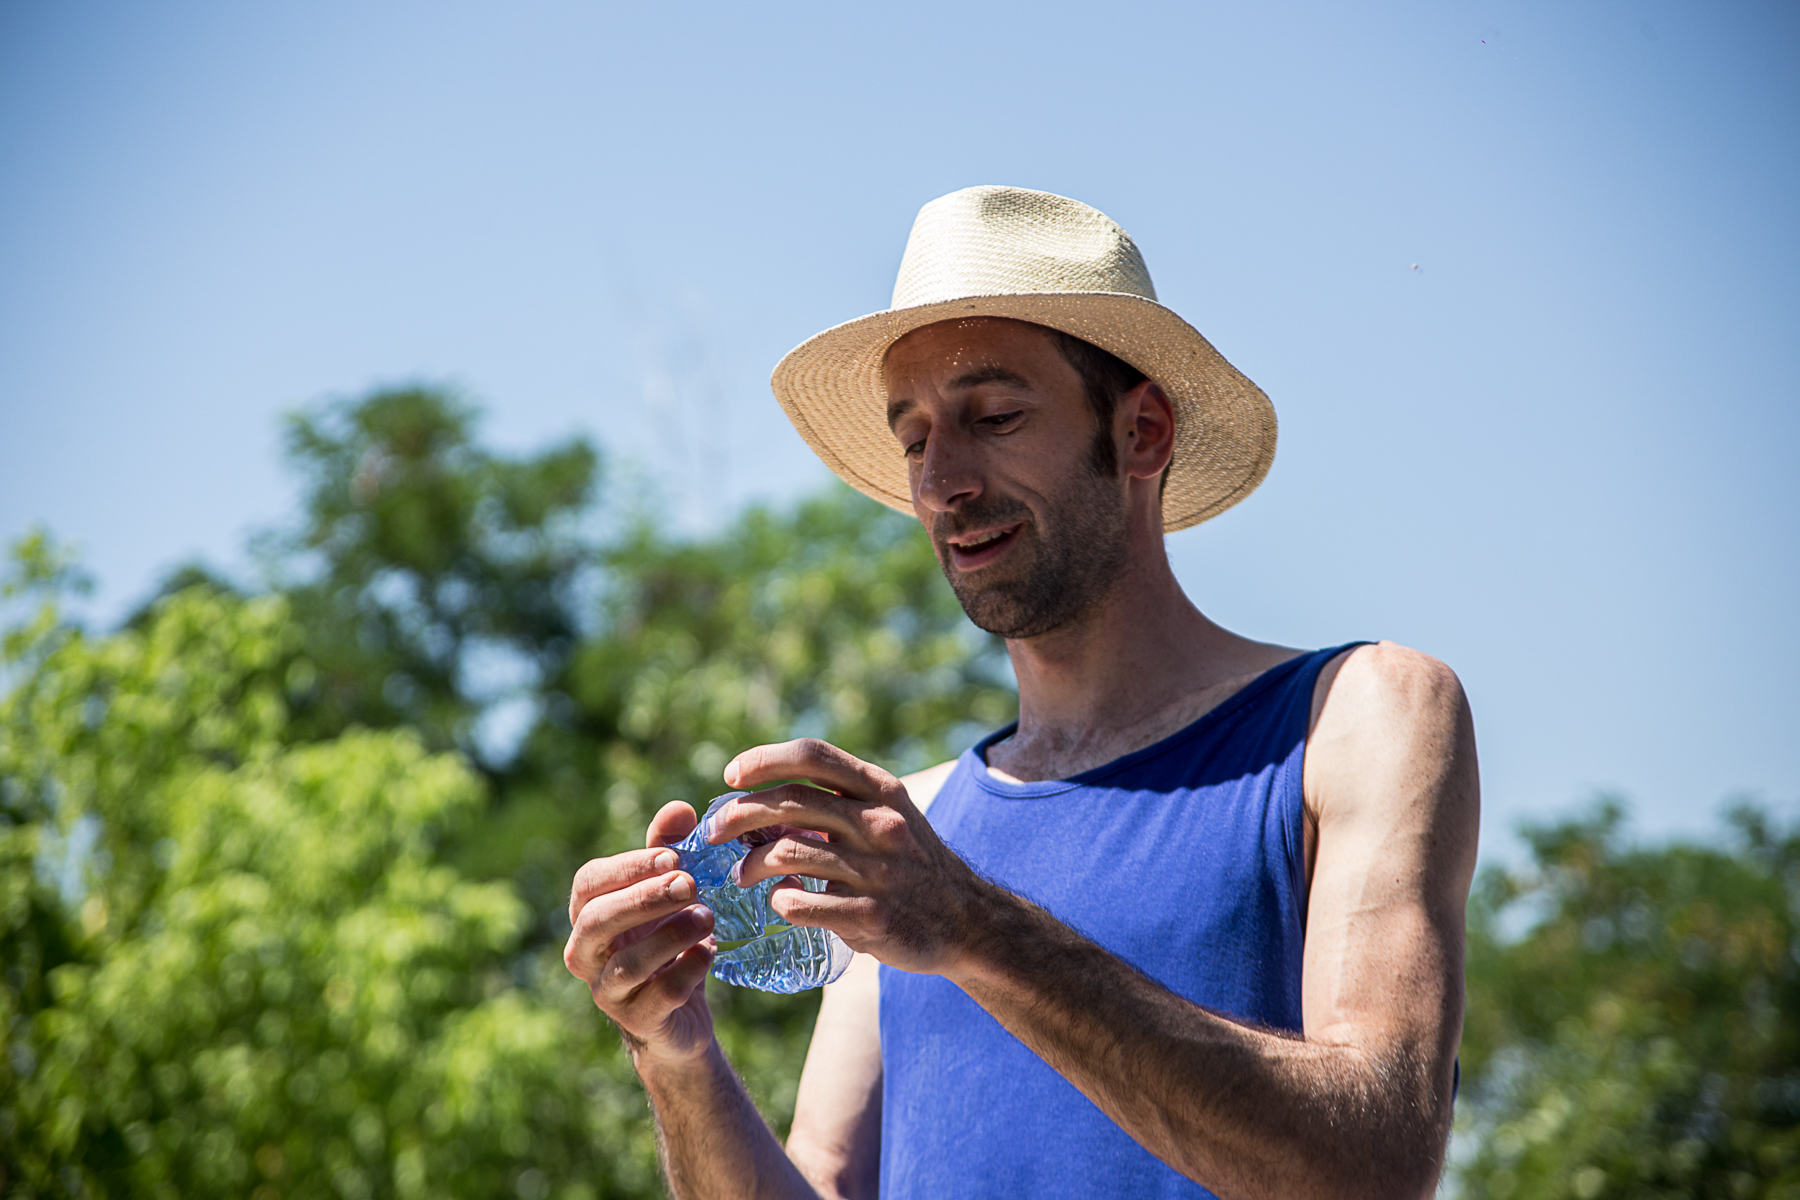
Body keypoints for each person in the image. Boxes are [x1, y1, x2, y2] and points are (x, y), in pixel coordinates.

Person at [564, 186, 1480, 1200]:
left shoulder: (1358, 716)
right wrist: (674, 1056)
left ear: (1143, 432)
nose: (940, 480)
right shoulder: (912, 829)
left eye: (994, 416)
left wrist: (976, 929)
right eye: (912, 439)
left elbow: (1379, 1162)